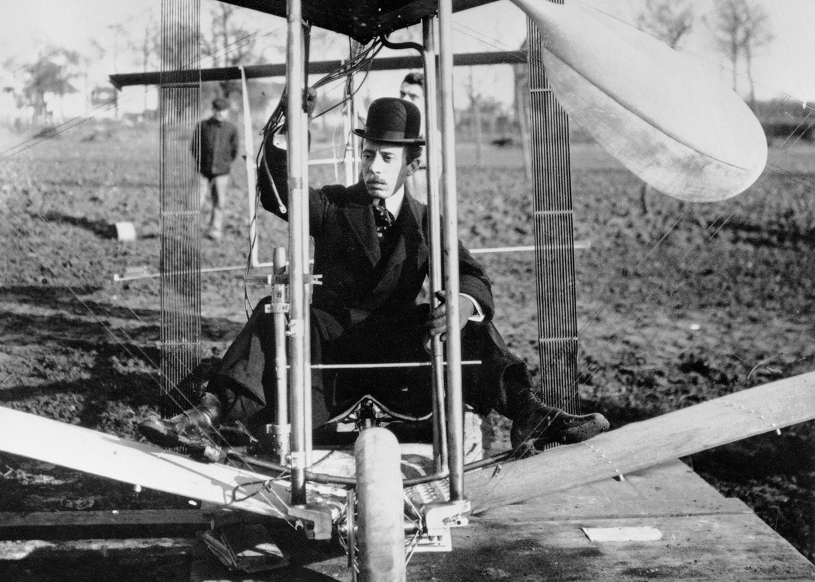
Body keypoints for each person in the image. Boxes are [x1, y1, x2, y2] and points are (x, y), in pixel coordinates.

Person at [141, 98, 608, 456]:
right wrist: (282, 132)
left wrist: (463, 304)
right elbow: (277, 194)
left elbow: (471, 275)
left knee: (470, 324)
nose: (373, 168)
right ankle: (209, 413)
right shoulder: (331, 205)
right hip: (331, 350)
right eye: (368, 155)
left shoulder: (428, 221)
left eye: (386, 158)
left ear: (413, 163)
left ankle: (529, 414)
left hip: (400, 355)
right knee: (273, 312)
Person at [191, 96, 239, 240]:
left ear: (227, 112)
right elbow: (194, 146)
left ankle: (215, 230)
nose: (220, 113)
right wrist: (201, 162)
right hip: (203, 171)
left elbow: (234, 150)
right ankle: (192, 230)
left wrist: (225, 163)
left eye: (223, 110)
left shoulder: (231, 128)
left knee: (219, 202)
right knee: (196, 201)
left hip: (222, 172)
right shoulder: (202, 126)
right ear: (213, 110)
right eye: (217, 110)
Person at [399, 71, 429, 203]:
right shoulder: (399, 131)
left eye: (413, 96)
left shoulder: (434, 138)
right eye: (402, 94)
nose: (405, 100)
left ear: (426, 102)